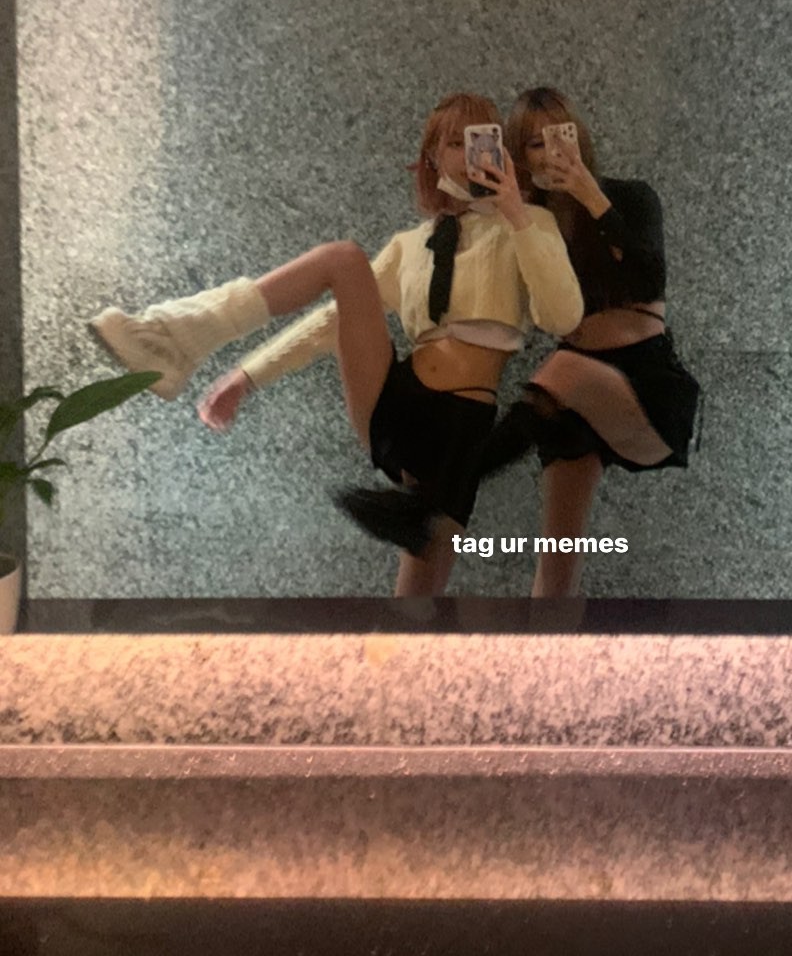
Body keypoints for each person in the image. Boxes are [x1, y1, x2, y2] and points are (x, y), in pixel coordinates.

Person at [90, 92, 583, 597]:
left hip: (460, 429)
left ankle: (176, 340)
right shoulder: (409, 246)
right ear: (432, 156)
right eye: (454, 143)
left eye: (481, 139)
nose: (467, 154)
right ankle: (175, 337)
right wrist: (247, 376)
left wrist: (516, 213)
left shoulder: (528, 227)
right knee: (343, 261)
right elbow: (332, 321)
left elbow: (563, 316)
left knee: (415, 605)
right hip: (397, 404)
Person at [468, 85, 702, 598]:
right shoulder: (535, 224)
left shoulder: (631, 197)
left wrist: (590, 195)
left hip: (643, 381)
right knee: (555, 567)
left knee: (564, 368)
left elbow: (649, 279)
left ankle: (449, 488)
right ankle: (546, 651)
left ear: (579, 136)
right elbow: (526, 314)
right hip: (569, 396)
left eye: (559, 136)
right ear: (520, 157)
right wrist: (502, 217)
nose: (549, 152)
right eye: (534, 144)